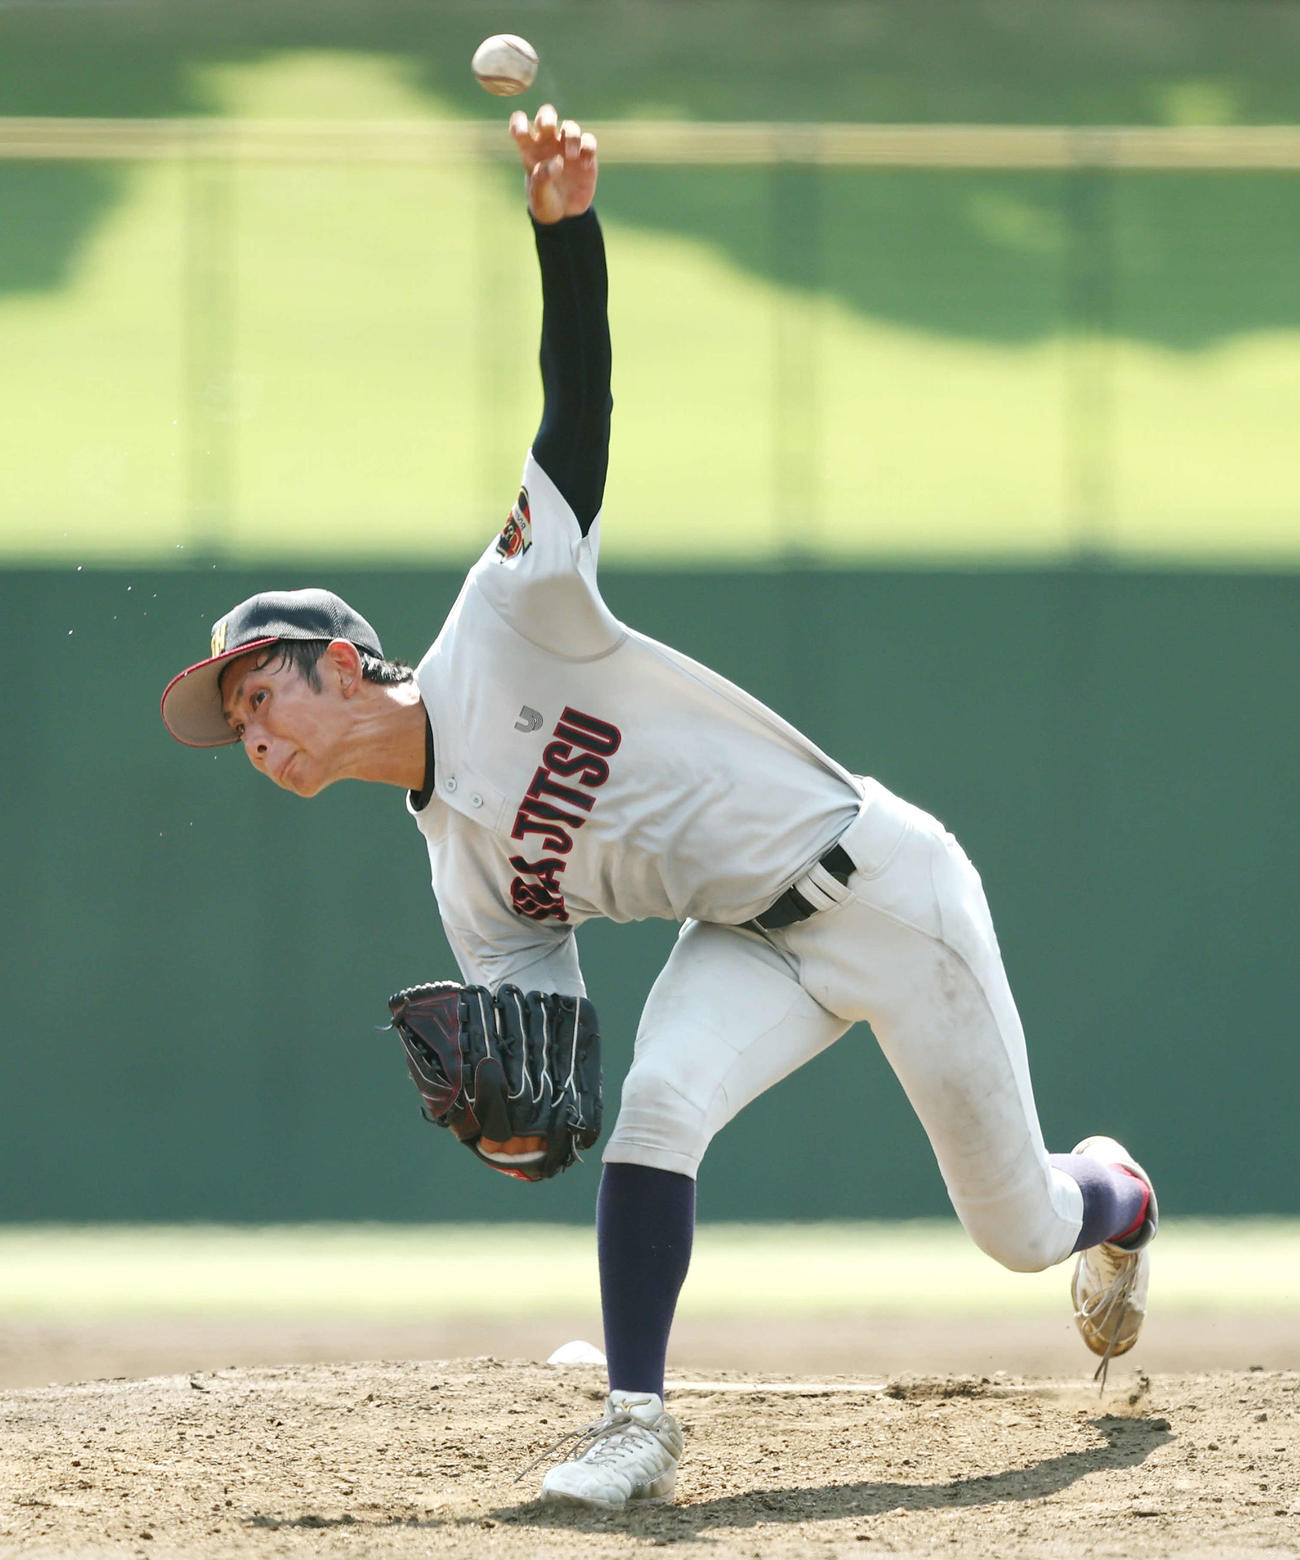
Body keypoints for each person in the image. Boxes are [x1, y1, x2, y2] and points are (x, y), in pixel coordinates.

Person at [161, 106, 1158, 1511]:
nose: (251, 734)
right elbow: (551, 1078)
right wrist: (511, 1134)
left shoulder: (509, 614)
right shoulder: (462, 877)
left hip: (884, 887)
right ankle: (638, 1425)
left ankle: (1121, 1197)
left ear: (337, 661)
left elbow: (578, 417)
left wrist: (565, 233)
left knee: (1021, 1227)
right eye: (237, 727)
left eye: (258, 696)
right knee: (653, 1110)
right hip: (744, 939)